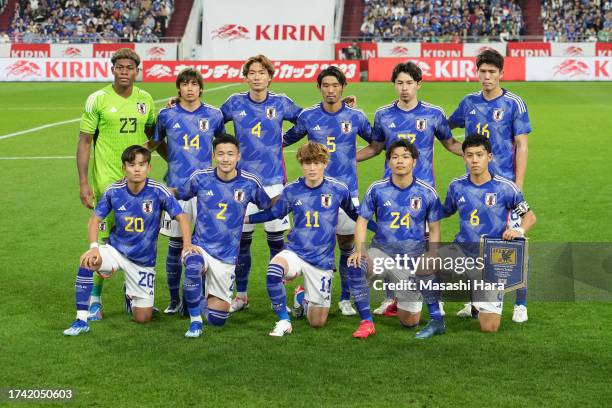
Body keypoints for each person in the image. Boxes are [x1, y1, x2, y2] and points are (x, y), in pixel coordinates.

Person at [356, 61, 462, 316]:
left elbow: (450, 143)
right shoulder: (383, 114)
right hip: (390, 191)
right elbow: (375, 147)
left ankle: (433, 296)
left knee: (426, 246)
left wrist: (478, 156)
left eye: (409, 83)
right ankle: (390, 297)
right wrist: (345, 159)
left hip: (424, 192)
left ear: (418, 84)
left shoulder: (434, 113)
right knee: (388, 243)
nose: (404, 88)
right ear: (394, 85)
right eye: (400, 83)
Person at [246, 142, 376, 338]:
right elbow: (273, 213)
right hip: (296, 252)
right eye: (307, 163)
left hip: (322, 261)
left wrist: (380, 228)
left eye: (316, 163)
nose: (312, 168)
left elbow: (357, 215)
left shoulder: (338, 189)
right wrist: (245, 219)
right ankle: (283, 320)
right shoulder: (292, 190)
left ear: (325, 163)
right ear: (301, 164)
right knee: (274, 268)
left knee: (317, 322)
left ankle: (301, 297)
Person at [64, 146, 193, 336]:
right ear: (124, 168)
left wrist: (188, 245)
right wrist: (93, 247)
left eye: (141, 164)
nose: (137, 169)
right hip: (115, 251)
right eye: (132, 165)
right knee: (88, 260)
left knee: (143, 318)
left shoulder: (158, 191)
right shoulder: (114, 191)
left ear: (149, 167)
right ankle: (81, 320)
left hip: (143, 261)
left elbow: (181, 217)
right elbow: (95, 220)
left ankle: (130, 295)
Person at [416, 135, 536, 337]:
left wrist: (519, 230)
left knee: (489, 327)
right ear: (463, 158)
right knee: (424, 265)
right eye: (469, 155)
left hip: (490, 259)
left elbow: (530, 217)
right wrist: (422, 211)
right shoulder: (457, 186)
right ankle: (437, 318)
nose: (474, 160)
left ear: (489, 157)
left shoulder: (506, 188)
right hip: (461, 250)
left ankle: (481, 297)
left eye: (479, 155)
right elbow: (445, 210)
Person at [283, 66, 374, 322]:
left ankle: (345, 298)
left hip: (346, 192)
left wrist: (352, 158)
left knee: (347, 246)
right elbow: (286, 139)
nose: (331, 90)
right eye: (326, 86)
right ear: (319, 88)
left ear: (342, 87)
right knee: (312, 246)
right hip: (312, 194)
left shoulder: (355, 116)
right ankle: (304, 292)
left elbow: (376, 143)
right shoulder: (309, 116)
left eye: (335, 85)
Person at [448, 49, 532, 322]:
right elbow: (446, 127)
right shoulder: (468, 101)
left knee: (512, 240)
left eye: (492, 72)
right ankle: (474, 302)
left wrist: (517, 185)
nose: (487, 77)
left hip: (503, 185)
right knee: (473, 242)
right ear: (477, 72)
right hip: (474, 186)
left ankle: (521, 303)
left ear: (501, 74)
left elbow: (521, 144)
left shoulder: (513, 103)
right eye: (482, 72)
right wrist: (459, 152)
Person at [77, 48, 156, 321]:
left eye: (129, 67)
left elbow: (154, 135)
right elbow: (85, 141)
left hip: (137, 181)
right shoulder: (97, 99)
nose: (124, 71)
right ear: (113, 69)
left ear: (137, 71)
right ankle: (95, 300)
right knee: (102, 240)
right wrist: (84, 181)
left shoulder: (145, 99)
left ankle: (131, 292)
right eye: (119, 67)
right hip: (106, 182)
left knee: (136, 235)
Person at [219, 55, 300, 312]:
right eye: (252, 72)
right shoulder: (234, 102)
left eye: (261, 72)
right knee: (242, 241)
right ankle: (241, 295)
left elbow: (306, 121)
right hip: (241, 184)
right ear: (246, 77)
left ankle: (282, 295)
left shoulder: (281, 102)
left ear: (269, 76)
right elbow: (212, 122)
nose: (256, 76)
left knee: (276, 241)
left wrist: (283, 140)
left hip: (275, 182)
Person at [174, 134, 273, 338]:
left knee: (218, 320)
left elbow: (270, 206)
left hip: (226, 258)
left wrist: (251, 220)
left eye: (230, 154)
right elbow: (178, 193)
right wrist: (150, 188)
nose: (225, 159)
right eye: (220, 154)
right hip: (199, 247)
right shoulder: (200, 178)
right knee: (193, 266)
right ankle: (194, 323)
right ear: (213, 156)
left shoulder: (249, 182)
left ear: (238, 156)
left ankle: (194, 299)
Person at [146, 68, 225, 315]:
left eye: (194, 84)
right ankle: (173, 300)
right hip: (175, 188)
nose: (189, 88)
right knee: (175, 244)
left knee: (201, 247)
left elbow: (223, 146)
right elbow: (155, 143)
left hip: (205, 192)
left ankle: (194, 298)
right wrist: (134, 156)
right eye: (184, 84)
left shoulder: (214, 114)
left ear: (201, 88)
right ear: (178, 88)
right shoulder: (166, 114)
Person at [348, 139, 444, 336]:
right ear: (388, 162)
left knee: (410, 323)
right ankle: (366, 321)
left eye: (405, 156)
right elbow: (362, 221)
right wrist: (360, 249)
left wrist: (432, 253)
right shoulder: (377, 189)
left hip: (411, 261)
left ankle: (399, 301)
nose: (400, 161)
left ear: (414, 162)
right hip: (381, 253)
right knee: (357, 264)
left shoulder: (427, 192)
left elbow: (434, 228)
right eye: (395, 157)